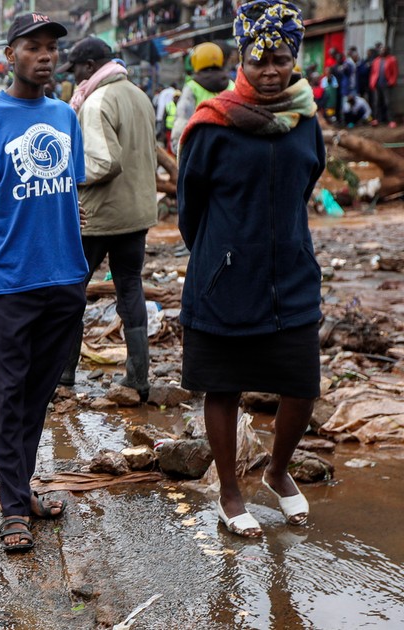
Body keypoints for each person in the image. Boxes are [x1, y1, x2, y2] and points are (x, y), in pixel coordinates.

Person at [177, 0, 323, 539]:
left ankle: (278, 471)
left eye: (279, 58)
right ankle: (229, 491)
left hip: (293, 276)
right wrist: (222, 255)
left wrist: (286, 244)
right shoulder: (211, 124)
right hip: (225, 280)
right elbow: (189, 208)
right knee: (223, 386)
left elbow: (306, 185)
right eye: (258, 59)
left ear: (294, 59)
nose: (268, 69)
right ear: (241, 57)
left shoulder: (305, 121)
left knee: (301, 384)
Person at [0, 13, 83, 553]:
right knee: (8, 394)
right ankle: (11, 507)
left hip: (66, 276)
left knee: (38, 394)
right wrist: (13, 224)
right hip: (9, 282)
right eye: (34, 46)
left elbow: (70, 186)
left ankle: (20, 489)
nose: (46, 55)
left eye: (52, 47)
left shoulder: (65, 116)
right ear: (10, 55)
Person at [58, 36, 158, 398]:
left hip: (100, 215)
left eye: (76, 70)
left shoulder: (98, 99)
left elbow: (104, 161)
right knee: (130, 287)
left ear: (88, 66)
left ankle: (64, 376)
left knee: (71, 291)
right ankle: (138, 378)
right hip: (137, 212)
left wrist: (65, 177)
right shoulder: (137, 94)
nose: (74, 79)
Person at [171, 43, 235, 154]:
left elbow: (183, 118)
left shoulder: (192, 86)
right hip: (230, 145)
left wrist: (177, 146)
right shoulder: (231, 85)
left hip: (201, 147)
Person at [371, 46, 398, 127]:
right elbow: (373, 72)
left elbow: (395, 72)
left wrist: (391, 81)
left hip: (387, 85)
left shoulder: (392, 60)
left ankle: (391, 120)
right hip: (377, 84)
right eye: (381, 50)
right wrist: (372, 82)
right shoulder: (376, 60)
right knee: (377, 103)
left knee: (388, 102)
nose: (381, 52)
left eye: (383, 50)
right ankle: (377, 119)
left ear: (387, 51)